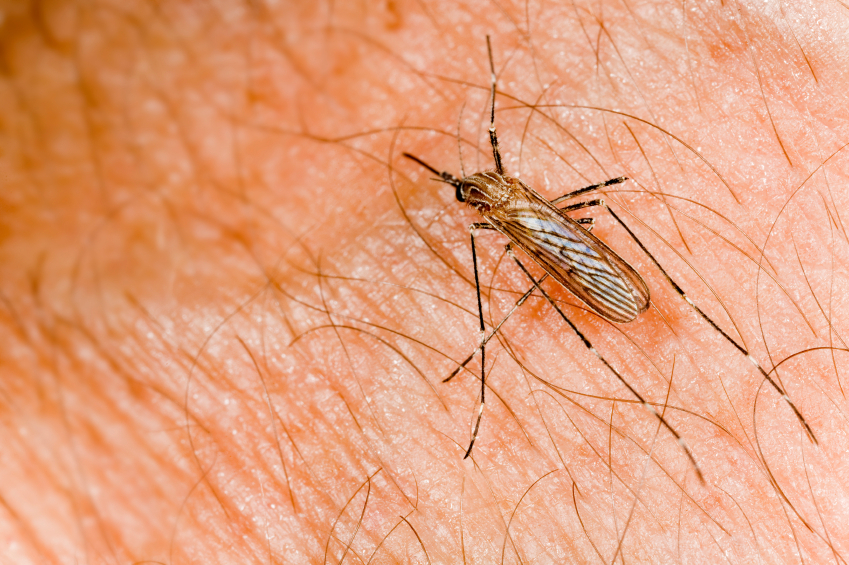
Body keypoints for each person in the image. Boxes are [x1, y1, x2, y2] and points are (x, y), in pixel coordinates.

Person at [3, 0, 846, 562]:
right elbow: (502, 175)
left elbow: (499, 184)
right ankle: (645, 353)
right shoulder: (507, 204)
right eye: (477, 189)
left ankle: (677, 340)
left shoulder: (497, 216)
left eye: (475, 188)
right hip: (555, 232)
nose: (477, 191)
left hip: (561, 242)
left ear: (482, 191)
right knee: (581, 230)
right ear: (490, 190)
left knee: (566, 248)